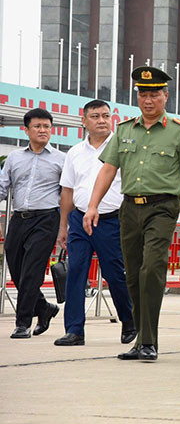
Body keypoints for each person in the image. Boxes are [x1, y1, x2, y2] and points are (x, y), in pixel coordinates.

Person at [84, 66, 180, 362]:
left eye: (154, 94)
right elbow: (109, 169)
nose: (148, 100)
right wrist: (93, 205)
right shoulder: (124, 131)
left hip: (162, 207)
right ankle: (140, 339)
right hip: (129, 209)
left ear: (166, 95)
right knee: (133, 275)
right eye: (142, 94)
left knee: (152, 269)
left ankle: (149, 341)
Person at [54, 99, 136, 346]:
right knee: (76, 271)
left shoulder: (123, 148)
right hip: (79, 219)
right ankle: (74, 330)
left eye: (106, 116)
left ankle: (129, 323)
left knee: (115, 273)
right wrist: (63, 226)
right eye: (96, 116)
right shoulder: (75, 153)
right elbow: (67, 191)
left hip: (110, 220)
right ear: (84, 120)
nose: (102, 120)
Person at [0, 108, 65, 339]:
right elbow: (2, 187)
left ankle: (22, 323)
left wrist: (64, 225)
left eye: (47, 126)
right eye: (37, 126)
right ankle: (44, 308)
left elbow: (66, 194)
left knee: (31, 272)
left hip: (46, 219)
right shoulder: (14, 158)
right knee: (16, 268)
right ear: (26, 129)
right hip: (19, 219)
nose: (42, 130)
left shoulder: (60, 159)